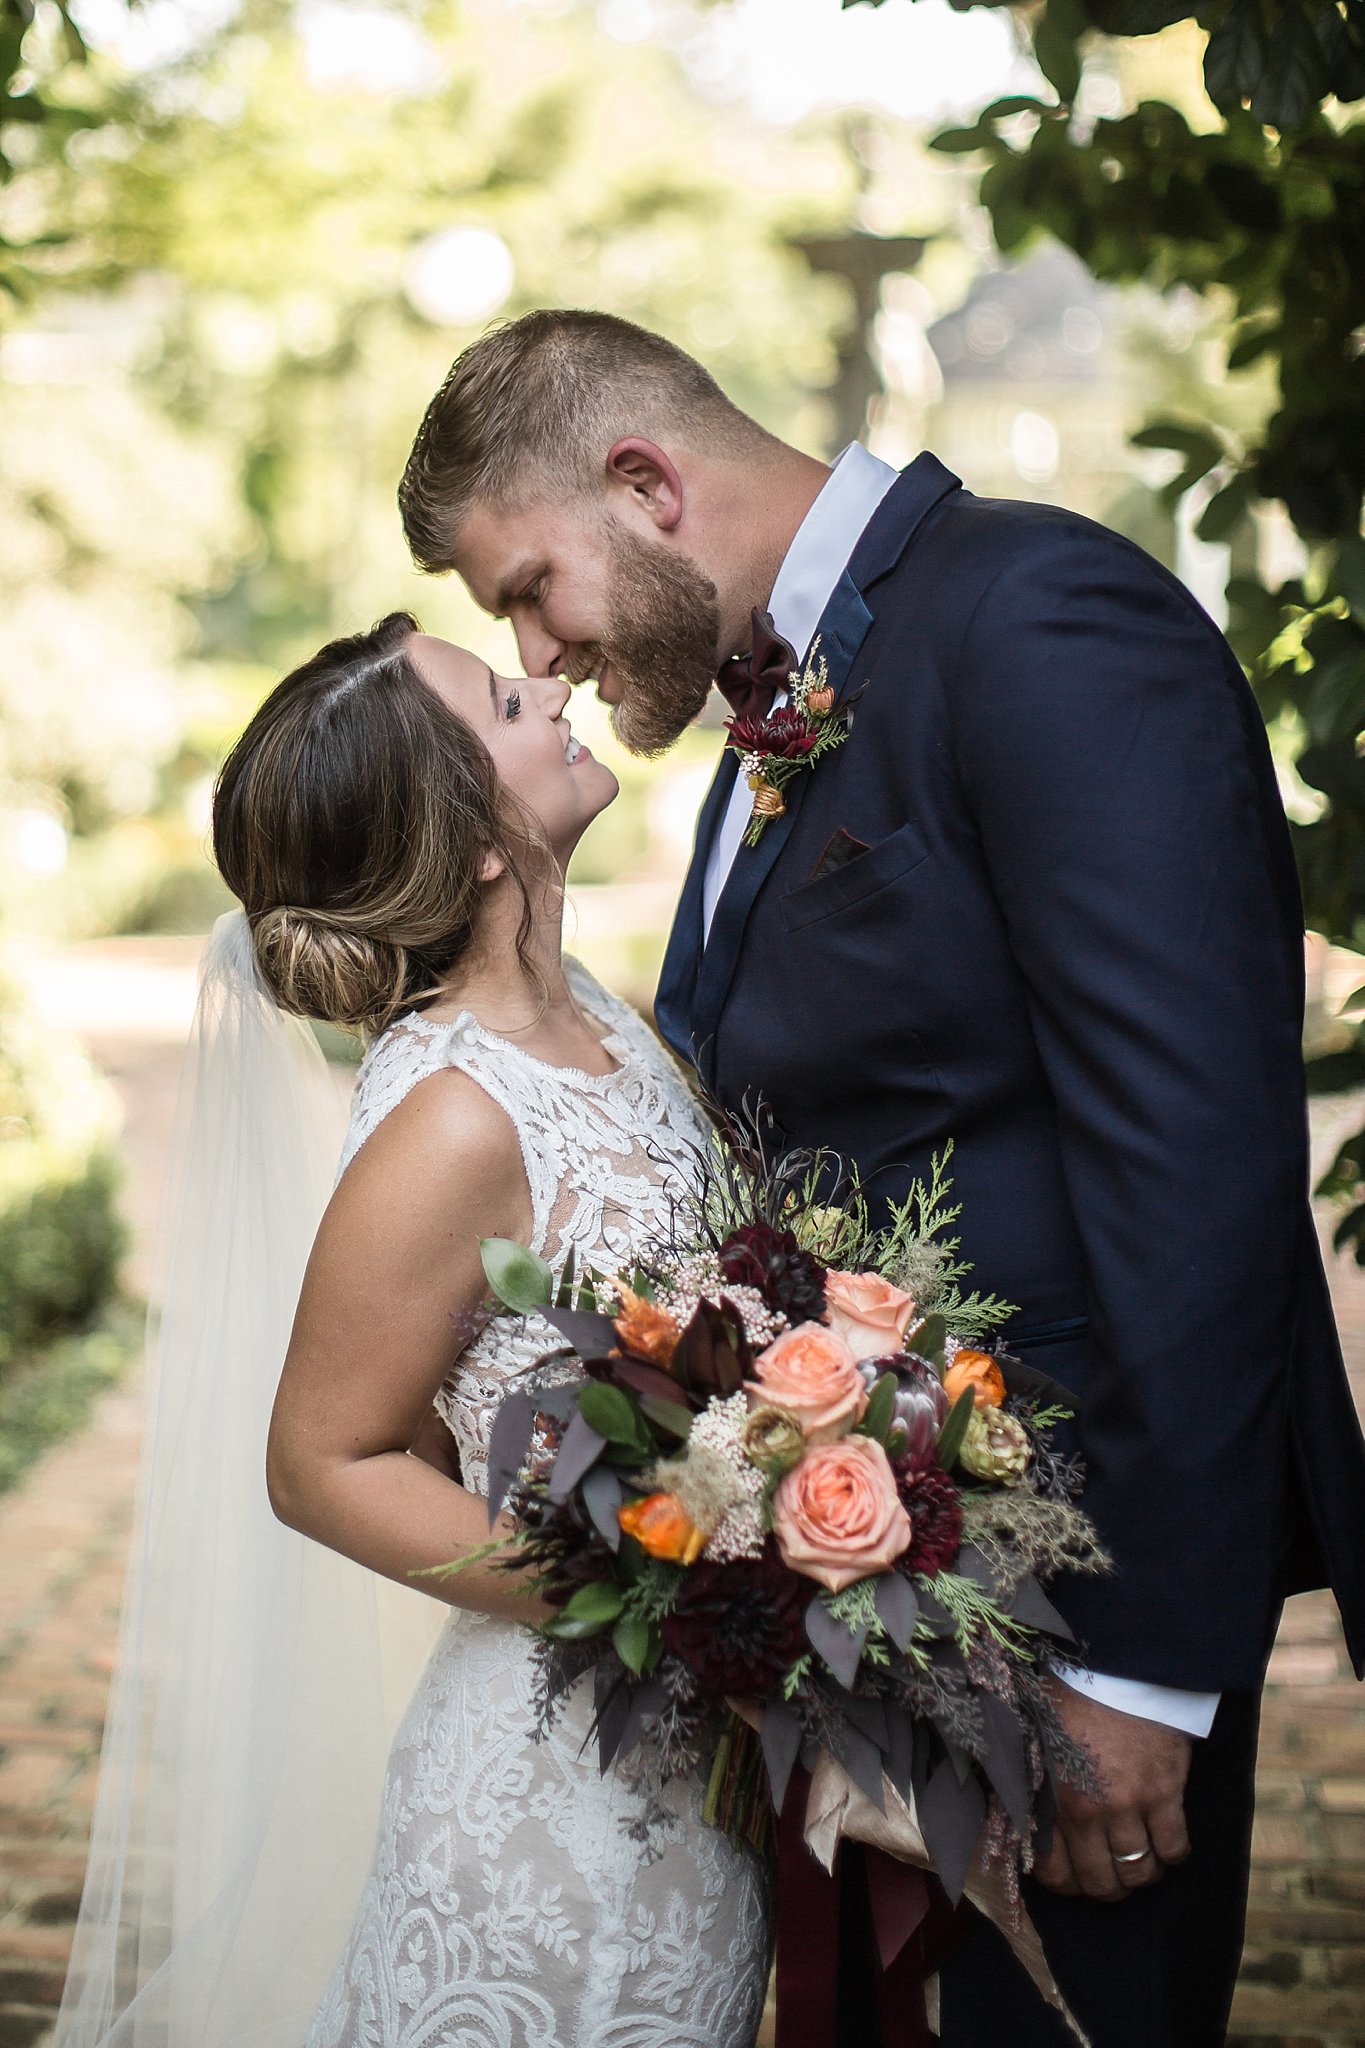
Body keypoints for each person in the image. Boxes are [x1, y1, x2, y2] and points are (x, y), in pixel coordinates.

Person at [396, 307, 1365, 2047]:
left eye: (532, 587)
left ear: (645, 484)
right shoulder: (775, 712)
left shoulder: (1036, 617)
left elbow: (1193, 1162)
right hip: (883, 1620)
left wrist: (1134, 1674)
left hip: (1074, 1619)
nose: (542, 655)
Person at [54, 612, 771, 2048]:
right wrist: (644, 1602)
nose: (554, 685)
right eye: (510, 703)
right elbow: (320, 1462)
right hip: (545, 1823)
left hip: (698, 1783)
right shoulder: (450, 1116)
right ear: (480, 839)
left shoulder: (600, 1021)